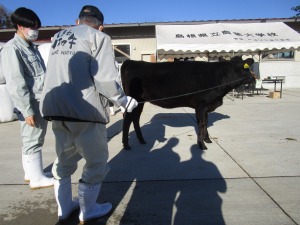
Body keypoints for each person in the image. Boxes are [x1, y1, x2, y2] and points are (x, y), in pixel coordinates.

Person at [40, 5, 138, 223]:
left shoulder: (57, 37)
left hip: (55, 108)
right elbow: (104, 80)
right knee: (96, 162)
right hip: (85, 111)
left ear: (78, 22)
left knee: (63, 160)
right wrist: (124, 101)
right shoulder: (99, 38)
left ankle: (64, 208)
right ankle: (89, 209)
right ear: (100, 26)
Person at [0, 7, 54, 189]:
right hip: (30, 102)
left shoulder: (31, 48)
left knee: (31, 139)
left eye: (37, 27)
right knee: (33, 140)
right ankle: (37, 179)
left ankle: (31, 174)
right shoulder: (12, 49)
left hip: (37, 100)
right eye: (32, 27)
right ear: (19, 26)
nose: (35, 31)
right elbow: (16, 82)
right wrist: (26, 110)